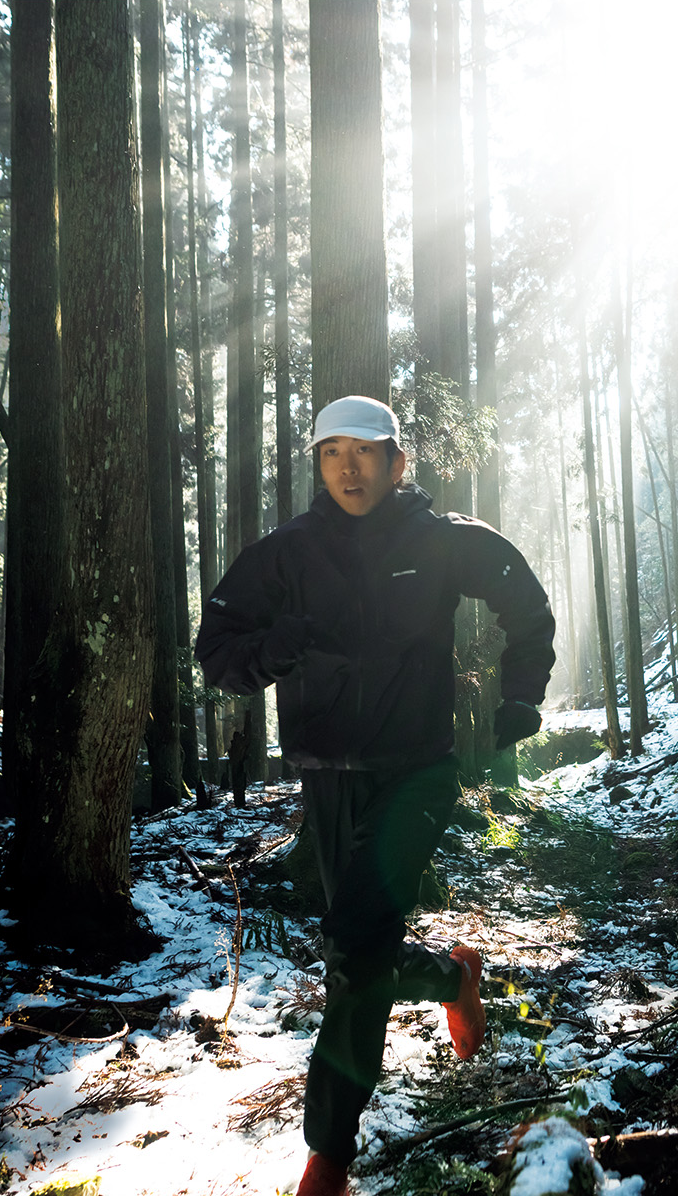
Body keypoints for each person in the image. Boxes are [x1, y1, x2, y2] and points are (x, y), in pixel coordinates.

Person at [194, 395, 555, 1196]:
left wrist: (520, 695)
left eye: (364, 452)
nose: (348, 468)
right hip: (328, 779)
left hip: (418, 772)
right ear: (318, 465)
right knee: (360, 953)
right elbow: (216, 651)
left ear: (398, 461)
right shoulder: (287, 552)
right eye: (331, 453)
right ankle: (451, 979)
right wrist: (274, 648)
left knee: (355, 953)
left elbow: (526, 604)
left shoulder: (441, 539)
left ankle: (329, 1159)